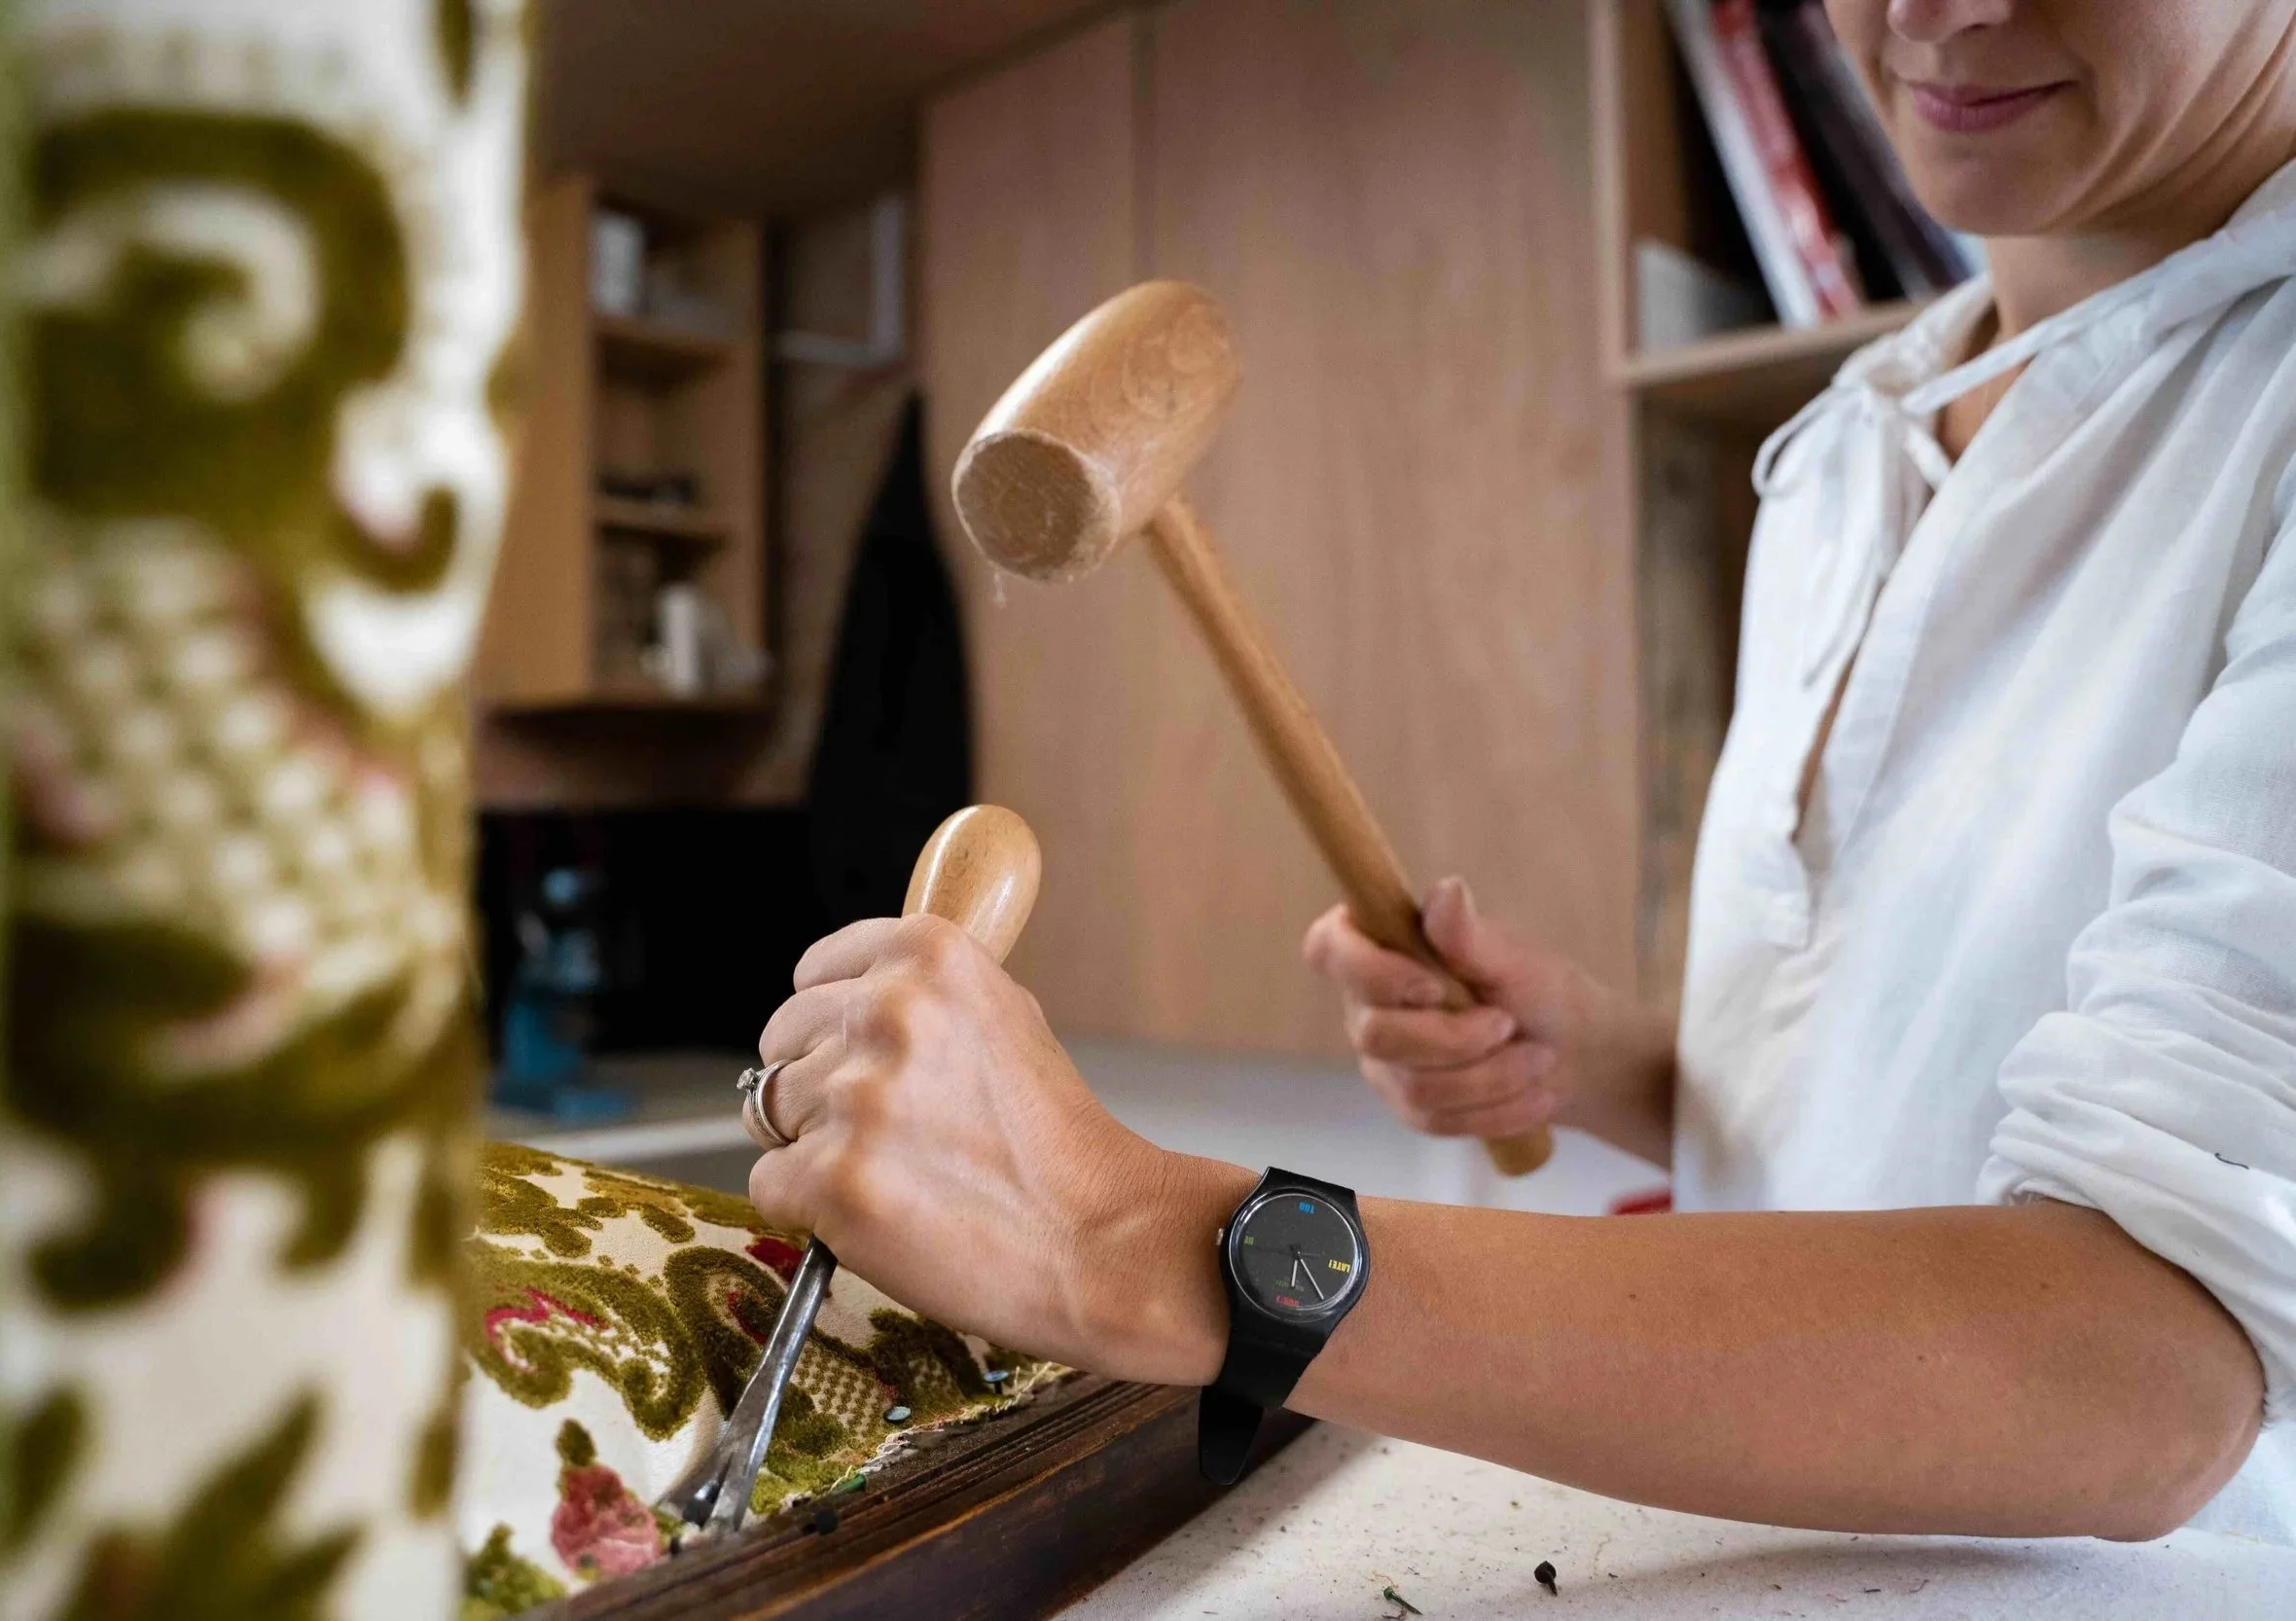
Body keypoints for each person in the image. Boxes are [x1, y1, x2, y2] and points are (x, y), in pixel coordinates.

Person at [740, 0, 2295, 1542]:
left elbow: (2143, 1366)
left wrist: (1125, 1233)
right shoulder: (1842, 444)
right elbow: (1900, 1107)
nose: (1933, 9)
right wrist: (1618, 1069)